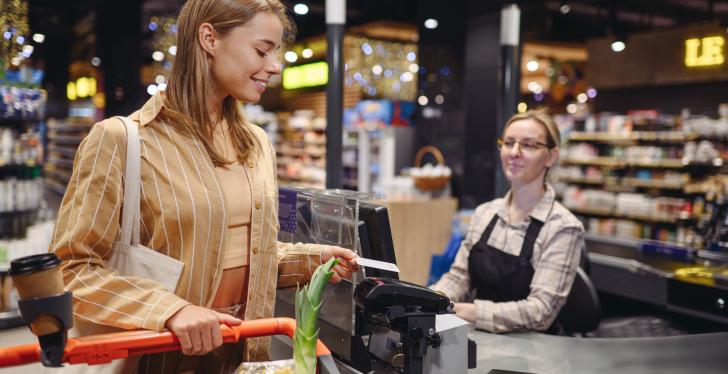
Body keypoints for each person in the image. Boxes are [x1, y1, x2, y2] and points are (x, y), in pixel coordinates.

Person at [49, 0, 358, 372]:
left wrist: (313, 261)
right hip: (158, 360)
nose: (275, 66)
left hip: (244, 356)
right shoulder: (121, 140)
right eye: (262, 50)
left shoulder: (256, 144)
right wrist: (170, 310)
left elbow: (247, 256)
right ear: (209, 38)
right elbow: (70, 269)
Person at [431, 110, 584, 333]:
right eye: (509, 143)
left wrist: (466, 311)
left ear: (551, 156)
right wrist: (430, 300)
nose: (514, 152)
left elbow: (540, 313)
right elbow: (460, 277)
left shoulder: (562, 227)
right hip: (481, 340)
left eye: (529, 145)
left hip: (533, 353)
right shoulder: (485, 213)